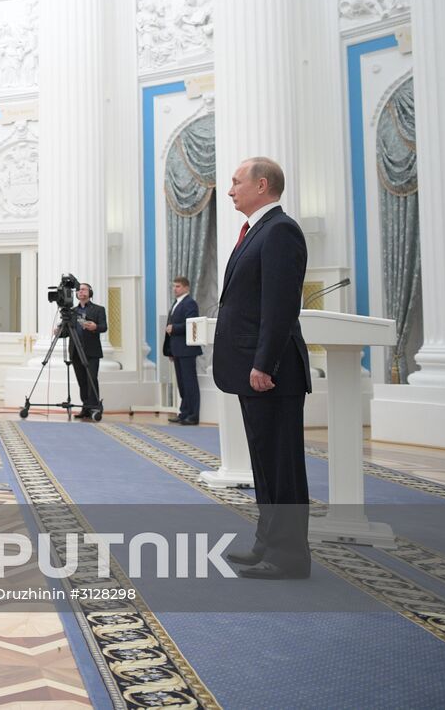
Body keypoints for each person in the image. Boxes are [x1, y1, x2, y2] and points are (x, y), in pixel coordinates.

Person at [214, 157, 312, 580]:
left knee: (282, 465)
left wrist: (263, 363)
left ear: (262, 184)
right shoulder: (258, 231)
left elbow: (280, 305)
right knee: (264, 463)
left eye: (237, 182)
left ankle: (290, 556)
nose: (231, 189)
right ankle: (266, 543)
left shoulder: (280, 230)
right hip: (255, 370)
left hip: (272, 372)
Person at [55, 282, 106, 420]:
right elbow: (67, 332)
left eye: (84, 289)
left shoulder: (98, 309)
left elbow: (104, 327)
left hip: (91, 351)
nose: (81, 292)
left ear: (90, 292)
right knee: (82, 380)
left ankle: (94, 408)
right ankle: (85, 407)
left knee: (92, 379)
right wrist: (58, 332)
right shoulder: (72, 312)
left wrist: (95, 326)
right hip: (76, 351)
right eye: (79, 290)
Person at [163, 276, 203, 425]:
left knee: (189, 382)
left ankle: (193, 415)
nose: (175, 289)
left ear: (186, 288)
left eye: (178, 286)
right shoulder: (176, 303)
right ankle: (184, 412)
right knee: (181, 383)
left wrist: (175, 328)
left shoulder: (190, 303)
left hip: (187, 349)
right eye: (174, 286)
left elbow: (192, 324)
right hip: (177, 349)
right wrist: (170, 351)